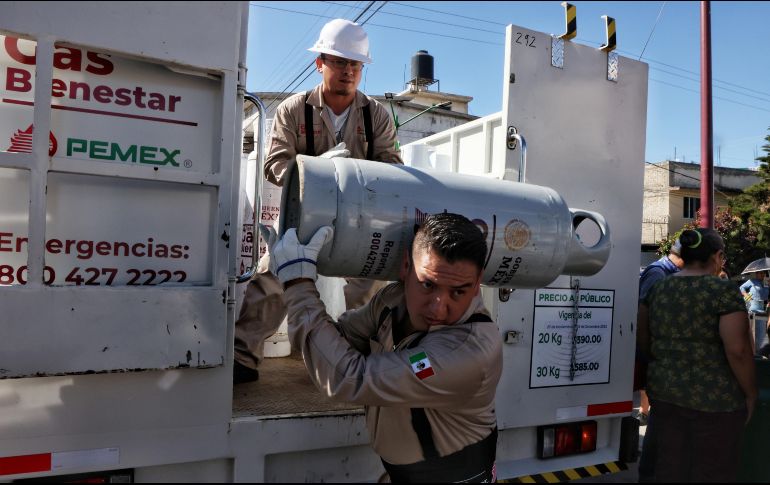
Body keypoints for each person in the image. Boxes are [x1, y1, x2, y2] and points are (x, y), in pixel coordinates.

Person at [262, 212, 502, 482]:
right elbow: (332, 344)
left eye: (459, 291)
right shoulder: (393, 301)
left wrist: (297, 282)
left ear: (478, 281)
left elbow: (348, 378)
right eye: (428, 285)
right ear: (405, 267)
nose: (439, 307)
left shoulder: (468, 354)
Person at [234, 18, 403, 383]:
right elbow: (274, 163)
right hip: (304, 217)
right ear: (320, 64)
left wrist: (358, 179)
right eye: (340, 62)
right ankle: (241, 356)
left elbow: (393, 169)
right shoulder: (293, 110)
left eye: (355, 64)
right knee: (271, 273)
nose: (348, 71)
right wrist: (313, 173)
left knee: (369, 286)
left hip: (359, 223)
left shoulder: (376, 116)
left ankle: (363, 360)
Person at [637, 228, 757, 483]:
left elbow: (643, 337)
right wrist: (750, 393)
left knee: (668, 468)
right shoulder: (722, 291)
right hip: (713, 403)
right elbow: (738, 350)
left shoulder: (659, 288)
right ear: (718, 256)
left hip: (666, 396)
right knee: (710, 471)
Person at [634, 239, 684, 482]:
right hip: (654, 357)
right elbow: (645, 317)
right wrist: (650, 354)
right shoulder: (659, 273)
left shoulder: (668, 273)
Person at [740, 271, 769, 355]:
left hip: (762, 309)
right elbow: (741, 288)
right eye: (759, 273)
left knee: (761, 333)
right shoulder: (752, 281)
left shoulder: (766, 282)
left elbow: (766, 296)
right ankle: (751, 352)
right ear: (756, 274)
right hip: (752, 308)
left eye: (763, 273)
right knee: (752, 331)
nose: (761, 275)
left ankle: (758, 353)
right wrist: (747, 296)